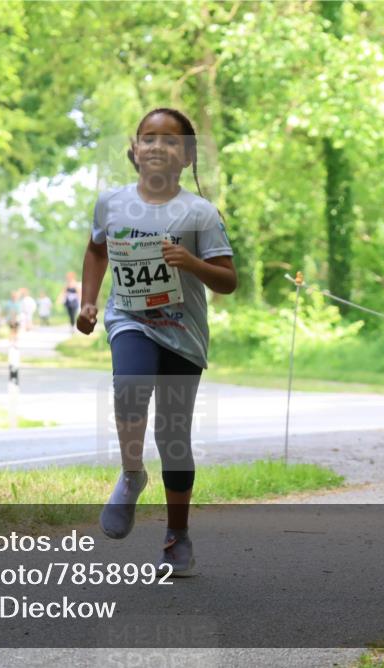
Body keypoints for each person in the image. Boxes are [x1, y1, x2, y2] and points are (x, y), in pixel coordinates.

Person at [76, 107, 237, 577]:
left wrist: (190, 262)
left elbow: (228, 281)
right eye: (148, 138)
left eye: (170, 141)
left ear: (187, 156)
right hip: (129, 318)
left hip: (182, 333)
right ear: (134, 149)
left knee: (173, 435)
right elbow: (96, 249)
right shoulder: (111, 203)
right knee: (129, 387)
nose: (157, 147)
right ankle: (131, 474)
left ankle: (177, 535)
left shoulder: (200, 213)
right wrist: (88, 302)